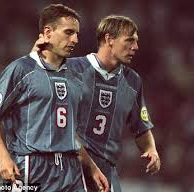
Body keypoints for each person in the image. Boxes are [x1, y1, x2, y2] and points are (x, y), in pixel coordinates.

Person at [0, 4, 109, 192]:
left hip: (70, 168)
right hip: (32, 167)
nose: (75, 39)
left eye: (76, 34)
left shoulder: (75, 76)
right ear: (47, 33)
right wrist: (4, 158)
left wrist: (92, 167)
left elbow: (68, 132)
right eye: (68, 32)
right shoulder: (22, 69)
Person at [33, 15, 161, 192]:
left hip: (107, 171)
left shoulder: (133, 81)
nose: (135, 47)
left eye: (136, 41)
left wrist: (151, 149)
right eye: (130, 40)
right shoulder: (70, 69)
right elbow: (58, 124)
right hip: (70, 166)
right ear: (109, 39)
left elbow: (140, 127)